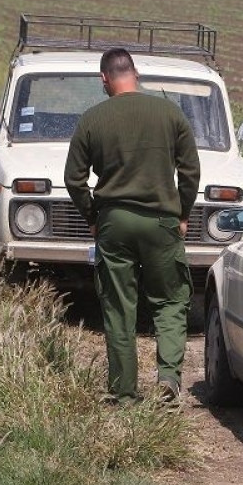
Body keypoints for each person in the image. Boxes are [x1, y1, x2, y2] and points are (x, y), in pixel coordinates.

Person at [64, 48, 200, 406]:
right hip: (161, 222)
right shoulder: (170, 114)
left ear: (104, 79)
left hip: (114, 222)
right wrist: (182, 214)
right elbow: (190, 173)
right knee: (170, 301)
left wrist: (93, 217)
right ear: (135, 73)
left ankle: (124, 392)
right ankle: (168, 378)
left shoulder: (92, 119)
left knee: (119, 306)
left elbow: (74, 179)